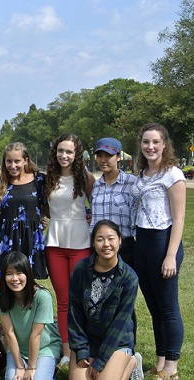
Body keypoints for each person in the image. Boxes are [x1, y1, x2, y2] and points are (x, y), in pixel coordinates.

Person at [131, 123, 185, 379]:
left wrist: (171, 254)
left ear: (164, 144)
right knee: (154, 307)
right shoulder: (142, 174)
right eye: (145, 142)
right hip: (142, 241)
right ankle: (161, 361)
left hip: (162, 242)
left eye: (155, 142)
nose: (150, 147)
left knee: (168, 307)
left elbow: (180, 218)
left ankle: (172, 366)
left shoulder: (172, 174)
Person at [43, 133, 95, 366]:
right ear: (55, 153)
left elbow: (97, 205)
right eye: (61, 151)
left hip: (80, 243)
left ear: (77, 154)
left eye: (69, 152)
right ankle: (66, 351)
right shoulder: (48, 179)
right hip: (54, 244)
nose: (64, 155)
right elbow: (43, 207)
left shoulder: (86, 178)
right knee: (63, 300)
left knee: (82, 299)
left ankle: (84, 346)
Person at [68, 220, 141, 380]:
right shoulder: (80, 270)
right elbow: (74, 314)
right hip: (88, 338)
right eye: (100, 239)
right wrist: (80, 350)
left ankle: (132, 362)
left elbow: (120, 323)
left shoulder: (129, 278)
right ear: (93, 243)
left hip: (117, 341)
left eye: (111, 238)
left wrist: (101, 360)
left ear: (120, 240)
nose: (106, 244)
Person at [0, 251, 61, 380]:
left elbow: (36, 335)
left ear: (28, 274)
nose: (14, 278)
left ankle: (48, 370)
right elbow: (9, 334)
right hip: (17, 349)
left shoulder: (42, 296)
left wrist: (31, 368)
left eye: (19, 273)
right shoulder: (1, 296)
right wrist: (20, 367)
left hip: (44, 348)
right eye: (9, 274)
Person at [0, 142, 47, 282]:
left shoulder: (39, 180)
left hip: (30, 237)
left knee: (28, 282)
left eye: (17, 161)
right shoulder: (2, 181)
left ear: (25, 160)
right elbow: (3, 211)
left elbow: (47, 206)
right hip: (6, 236)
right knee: (6, 279)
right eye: (8, 161)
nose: (12, 165)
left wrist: (41, 217)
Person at [90, 138, 137, 268]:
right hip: (99, 248)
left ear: (118, 157)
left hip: (124, 247)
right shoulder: (96, 186)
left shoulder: (132, 183)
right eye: (99, 155)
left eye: (108, 155)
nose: (103, 160)